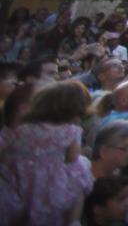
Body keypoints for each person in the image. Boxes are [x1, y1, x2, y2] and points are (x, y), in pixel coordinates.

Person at [0, 79, 94, 225]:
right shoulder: (70, 132)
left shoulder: (19, 131)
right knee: (82, 168)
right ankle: (74, 220)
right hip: (49, 189)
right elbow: (72, 160)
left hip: (16, 184)